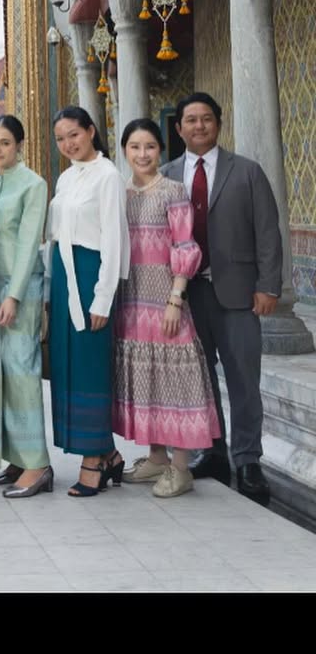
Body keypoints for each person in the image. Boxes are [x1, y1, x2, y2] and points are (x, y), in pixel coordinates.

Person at [162, 92, 281, 505]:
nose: (199, 126)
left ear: (218, 123)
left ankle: (247, 460)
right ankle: (212, 452)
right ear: (179, 128)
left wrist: (268, 286)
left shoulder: (246, 172)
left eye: (206, 119)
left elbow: (267, 232)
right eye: (191, 120)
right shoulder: (167, 176)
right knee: (201, 380)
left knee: (244, 380)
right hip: (187, 295)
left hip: (238, 294)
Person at [113, 119, 222, 499]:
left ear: (160, 150)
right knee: (148, 381)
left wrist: (176, 299)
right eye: (135, 147)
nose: (142, 154)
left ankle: (181, 468)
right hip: (131, 302)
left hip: (165, 300)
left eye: (150, 147)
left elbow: (185, 245)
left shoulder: (173, 191)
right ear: (124, 151)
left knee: (177, 382)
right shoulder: (120, 193)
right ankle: (157, 458)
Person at [46, 106, 129, 498]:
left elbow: (113, 238)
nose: (68, 144)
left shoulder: (108, 175)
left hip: (90, 273)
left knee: (90, 366)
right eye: (61, 139)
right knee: (68, 365)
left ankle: (93, 460)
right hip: (64, 276)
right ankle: (108, 453)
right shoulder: (66, 177)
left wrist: (103, 297)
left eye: (74, 135)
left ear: (91, 131)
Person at [0, 114, 52, 499]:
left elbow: (28, 242)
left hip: (21, 288)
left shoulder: (34, 184)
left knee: (21, 370)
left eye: (5, 142)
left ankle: (37, 464)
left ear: (19, 145)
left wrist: (14, 295)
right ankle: (16, 458)